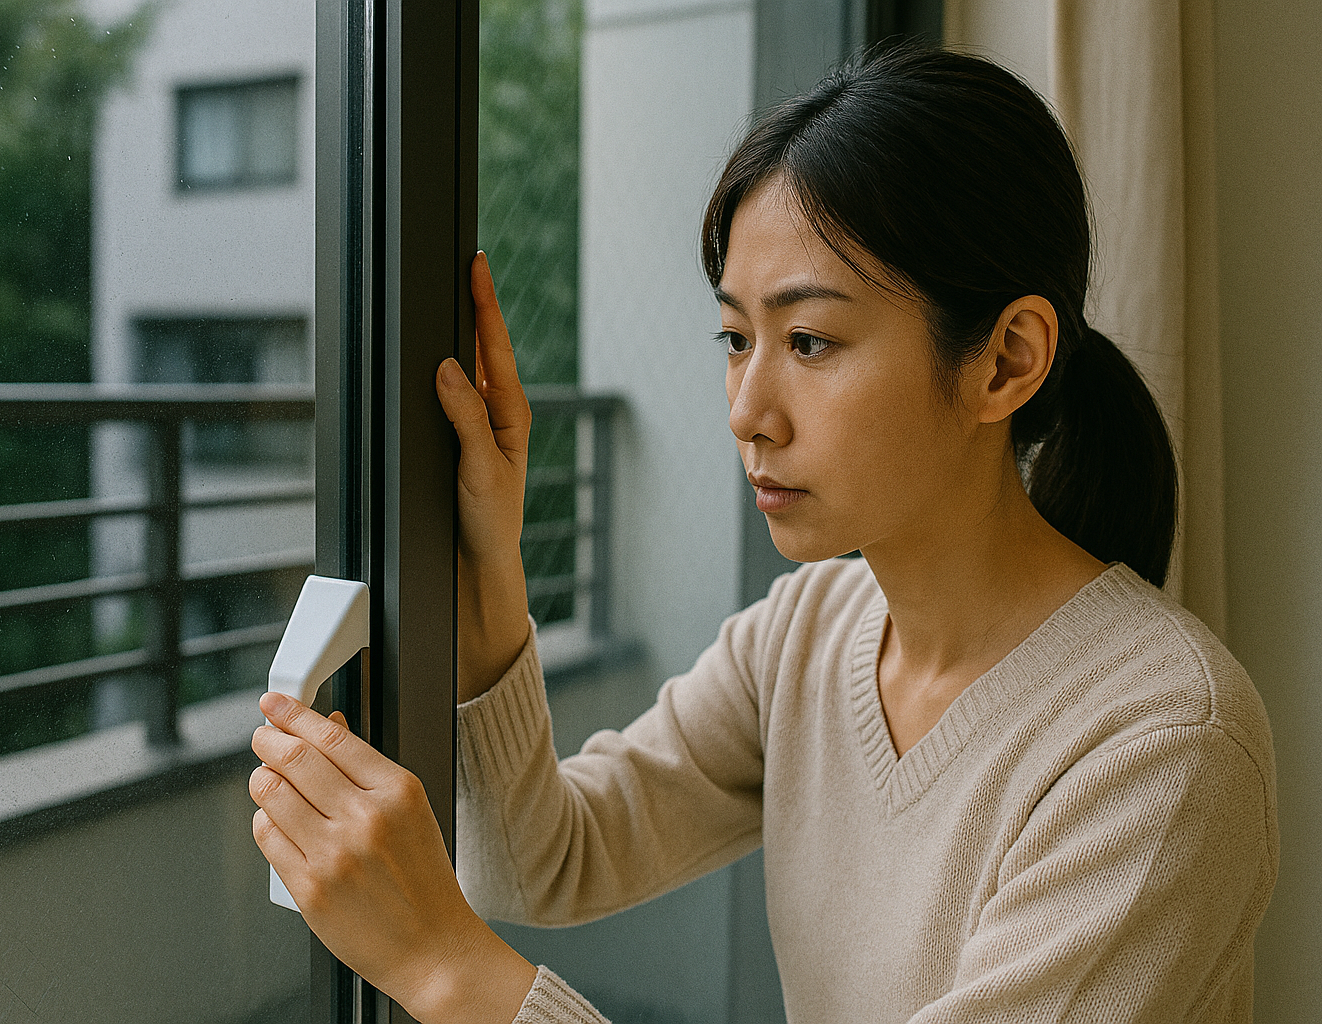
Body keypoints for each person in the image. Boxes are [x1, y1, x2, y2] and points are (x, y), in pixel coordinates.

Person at [248, 46, 1277, 1024]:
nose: (747, 407)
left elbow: (494, 907)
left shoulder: (1165, 745)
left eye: (810, 340)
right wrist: (490, 561)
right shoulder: (811, 627)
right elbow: (542, 855)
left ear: (1005, 360)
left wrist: (442, 962)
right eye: (737, 338)